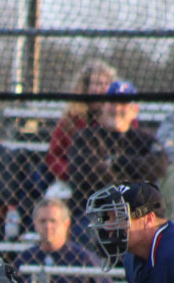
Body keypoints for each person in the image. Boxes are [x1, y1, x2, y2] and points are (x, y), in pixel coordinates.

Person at [67, 80, 168, 241]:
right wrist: (134, 180)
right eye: (112, 102)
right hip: (97, 212)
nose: (116, 108)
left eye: (123, 103)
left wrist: (116, 161)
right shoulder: (85, 137)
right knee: (89, 233)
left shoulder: (144, 139)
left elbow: (159, 166)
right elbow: (90, 175)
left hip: (137, 214)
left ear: (134, 110)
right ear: (104, 106)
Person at [45, 60, 118, 183]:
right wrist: (71, 173)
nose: (104, 88)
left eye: (107, 84)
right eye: (97, 83)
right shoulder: (71, 119)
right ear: (85, 87)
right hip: (73, 181)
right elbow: (53, 156)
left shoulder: (119, 117)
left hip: (108, 181)